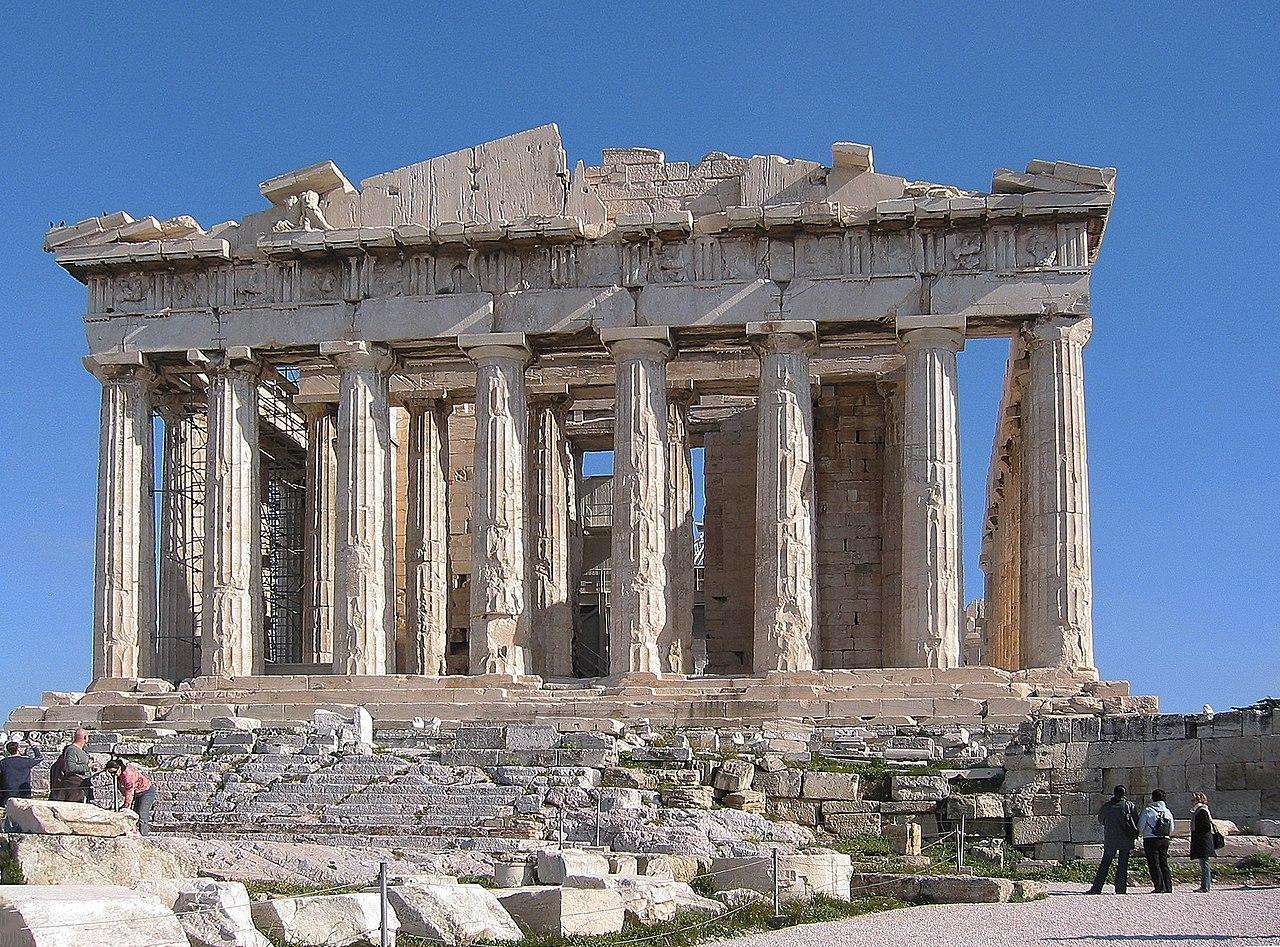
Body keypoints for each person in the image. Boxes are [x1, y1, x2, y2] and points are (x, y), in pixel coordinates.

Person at [1088, 785, 1138, 894]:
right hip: (1126, 838)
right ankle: (1120, 889)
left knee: (1105, 863)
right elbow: (1135, 820)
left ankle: (1096, 888)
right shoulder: (1129, 806)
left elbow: (1101, 820)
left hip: (1111, 839)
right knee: (1123, 864)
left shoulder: (1107, 806)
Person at [104, 758, 156, 836]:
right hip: (136, 792)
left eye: (114, 772)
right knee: (134, 814)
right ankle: (134, 833)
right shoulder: (119, 775)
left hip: (146, 791)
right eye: (110, 773)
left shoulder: (127, 776)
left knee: (141, 814)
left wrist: (126, 806)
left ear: (119, 768)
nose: (113, 775)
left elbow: (129, 792)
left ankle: (144, 836)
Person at [0, 740, 44, 831]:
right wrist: (34, 746)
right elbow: (39, 757)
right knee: (25, 814)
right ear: (18, 749)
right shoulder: (25, 761)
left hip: (8, 791)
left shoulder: (3, 763)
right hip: (23, 792)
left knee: (9, 815)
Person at [1137, 788, 1175, 893]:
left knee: (1154, 863)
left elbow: (1141, 826)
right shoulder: (1167, 811)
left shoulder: (1148, 810)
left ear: (1153, 798)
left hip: (1150, 839)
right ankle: (1168, 887)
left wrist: (1143, 833)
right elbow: (1171, 828)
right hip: (1164, 839)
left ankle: (1159, 886)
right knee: (1164, 863)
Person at [49, 729, 96, 803]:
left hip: (83, 784)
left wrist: (91, 767)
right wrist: (87, 766)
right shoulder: (71, 750)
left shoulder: (81, 751)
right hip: (74, 785)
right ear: (84, 737)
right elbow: (70, 767)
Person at [1190, 792, 1220, 892]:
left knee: (1205, 863)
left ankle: (1206, 886)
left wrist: (1198, 834)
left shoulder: (1202, 811)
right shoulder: (1199, 810)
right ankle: (1204, 885)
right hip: (1203, 839)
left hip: (1203, 840)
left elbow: (1206, 826)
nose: (1191, 802)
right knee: (1203, 863)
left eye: (1193, 800)